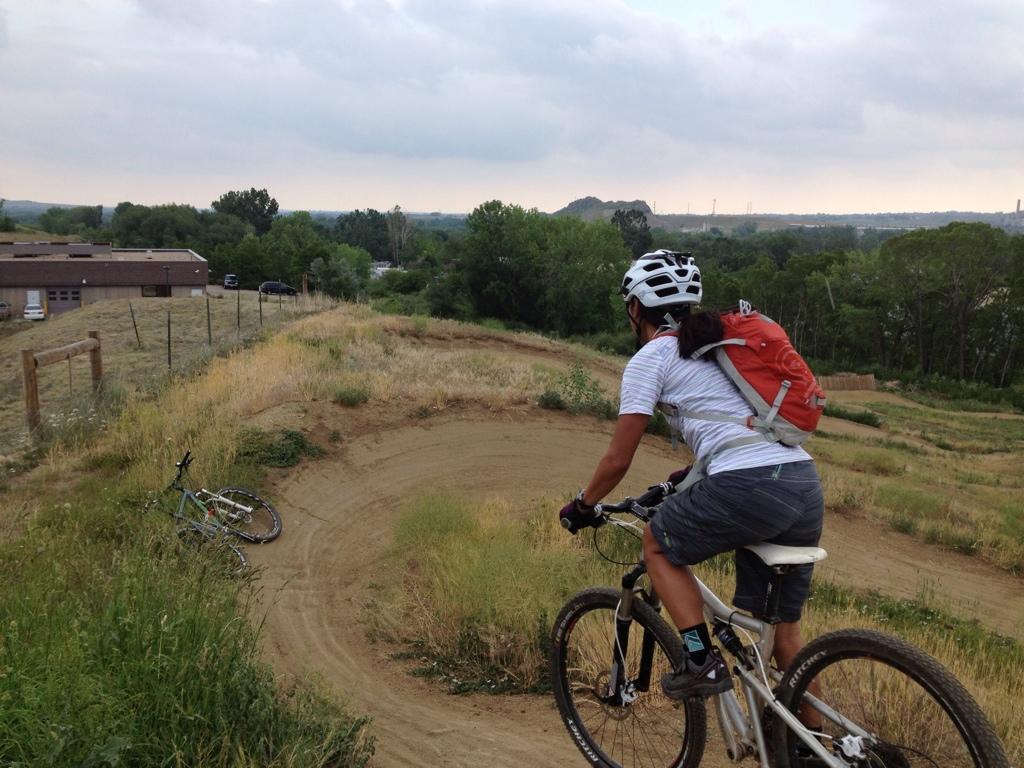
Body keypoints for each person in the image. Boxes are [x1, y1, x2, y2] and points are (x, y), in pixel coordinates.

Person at [559, 250, 824, 700]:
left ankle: (700, 661)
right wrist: (684, 479)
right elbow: (732, 428)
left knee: (658, 545)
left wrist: (584, 505)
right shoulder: (716, 349)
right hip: (801, 481)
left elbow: (618, 458)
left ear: (635, 308)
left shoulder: (652, 358)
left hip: (750, 484)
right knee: (781, 634)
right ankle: (812, 746)